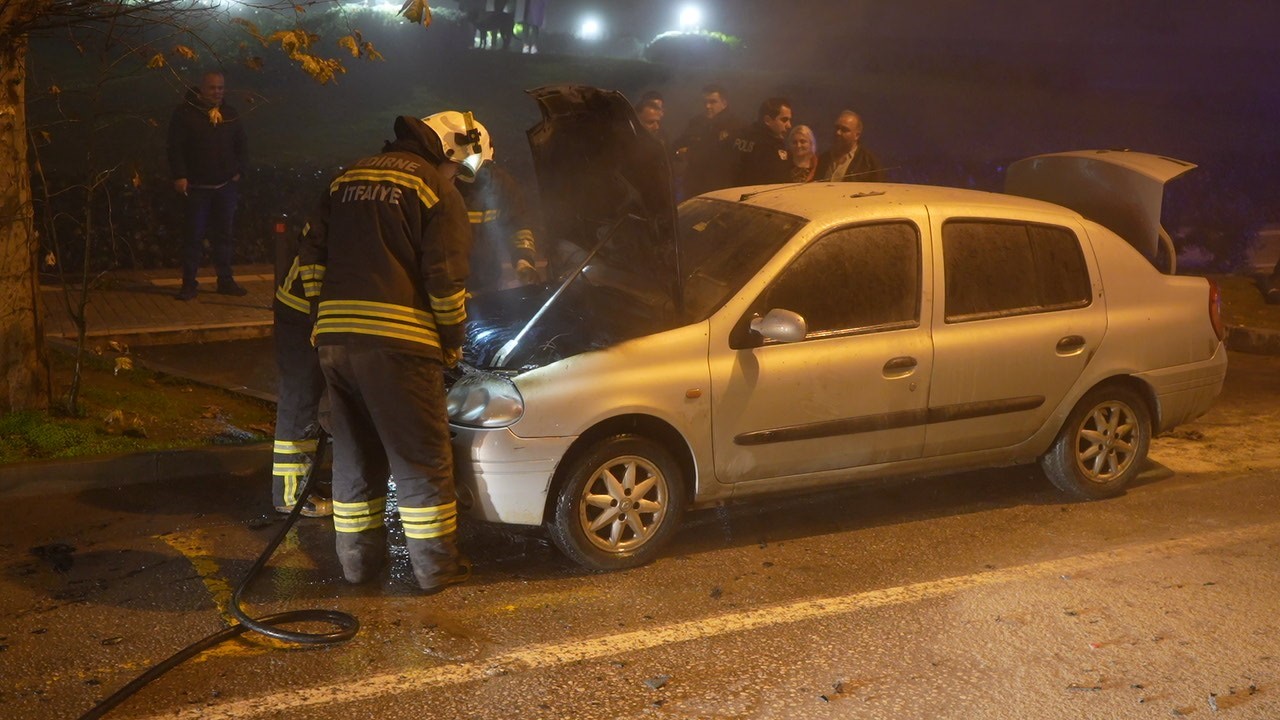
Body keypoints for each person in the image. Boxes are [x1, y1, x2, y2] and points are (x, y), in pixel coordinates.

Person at [298, 113, 473, 593]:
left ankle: (357, 566)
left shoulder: (346, 177)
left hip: (335, 343)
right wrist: (452, 339)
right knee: (421, 459)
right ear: (447, 152)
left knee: (355, 455)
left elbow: (311, 258)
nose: (457, 177)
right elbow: (445, 278)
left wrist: (322, 317)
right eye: (458, 168)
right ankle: (435, 571)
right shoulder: (435, 189)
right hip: (400, 344)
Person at [426, 111, 539, 293]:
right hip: (442, 286)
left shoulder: (501, 184)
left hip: (486, 284)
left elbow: (518, 224)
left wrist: (523, 260)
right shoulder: (434, 186)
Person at [270, 215, 332, 519]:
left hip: (308, 311)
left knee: (307, 400)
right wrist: (317, 312)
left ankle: (302, 485)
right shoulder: (338, 207)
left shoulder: (342, 201)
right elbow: (313, 259)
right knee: (299, 401)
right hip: (300, 314)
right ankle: (290, 495)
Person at [167, 69, 249, 300]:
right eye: (212, 88)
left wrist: (239, 170)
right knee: (193, 237)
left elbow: (242, 144)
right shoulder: (185, 114)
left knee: (224, 236)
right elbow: (175, 147)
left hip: (225, 187)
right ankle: (189, 283)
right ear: (202, 89)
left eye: (220, 88)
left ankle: (225, 280)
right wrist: (180, 175)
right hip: (197, 188)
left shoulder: (229, 114)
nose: (217, 92)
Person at [672, 83, 739, 199]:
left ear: (724, 103)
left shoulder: (735, 126)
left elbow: (724, 156)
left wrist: (691, 153)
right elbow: (678, 144)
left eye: (713, 102)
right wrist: (678, 153)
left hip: (720, 189)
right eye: (705, 102)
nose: (707, 106)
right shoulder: (696, 122)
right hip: (693, 187)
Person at [733, 97, 794, 186]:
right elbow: (780, 178)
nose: (789, 125)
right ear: (767, 120)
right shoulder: (772, 144)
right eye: (784, 120)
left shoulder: (739, 137)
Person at [815, 110, 886, 183]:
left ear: (857, 135)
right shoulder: (822, 160)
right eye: (837, 128)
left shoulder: (869, 163)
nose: (838, 133)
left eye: (844, 130)